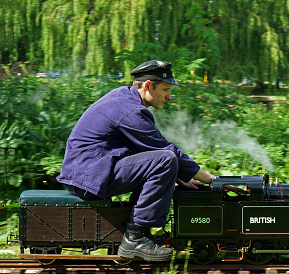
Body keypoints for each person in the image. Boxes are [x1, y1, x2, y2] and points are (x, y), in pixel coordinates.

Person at [57, 60, 219, 262]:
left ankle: (138, 233)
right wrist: (210, 179)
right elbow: (165, 151)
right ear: (148, 85)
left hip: (91, 172)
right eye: (166, 89)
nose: (169, 97)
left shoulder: (123, 97)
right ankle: (134, 238)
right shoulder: (130, 111)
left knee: (165, 160)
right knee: (166, 159)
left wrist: (180, 178)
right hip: (89, 178)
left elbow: (144, 150)